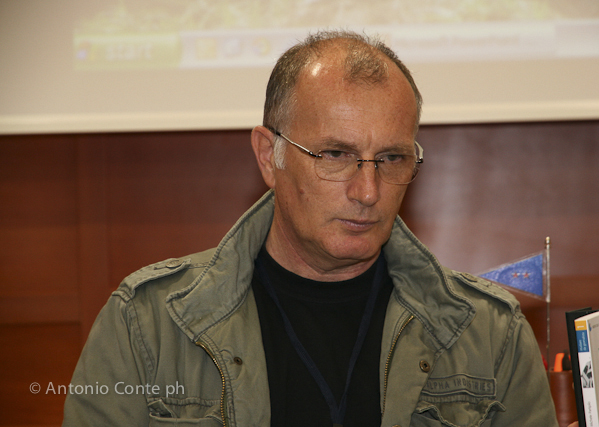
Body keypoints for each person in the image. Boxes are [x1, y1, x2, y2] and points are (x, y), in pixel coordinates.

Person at [63, 30, 559, 427]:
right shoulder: (146, 323)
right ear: (269, 156)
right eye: (336, 155)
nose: (368, 191)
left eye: (391, 158)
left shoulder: (489, 333)